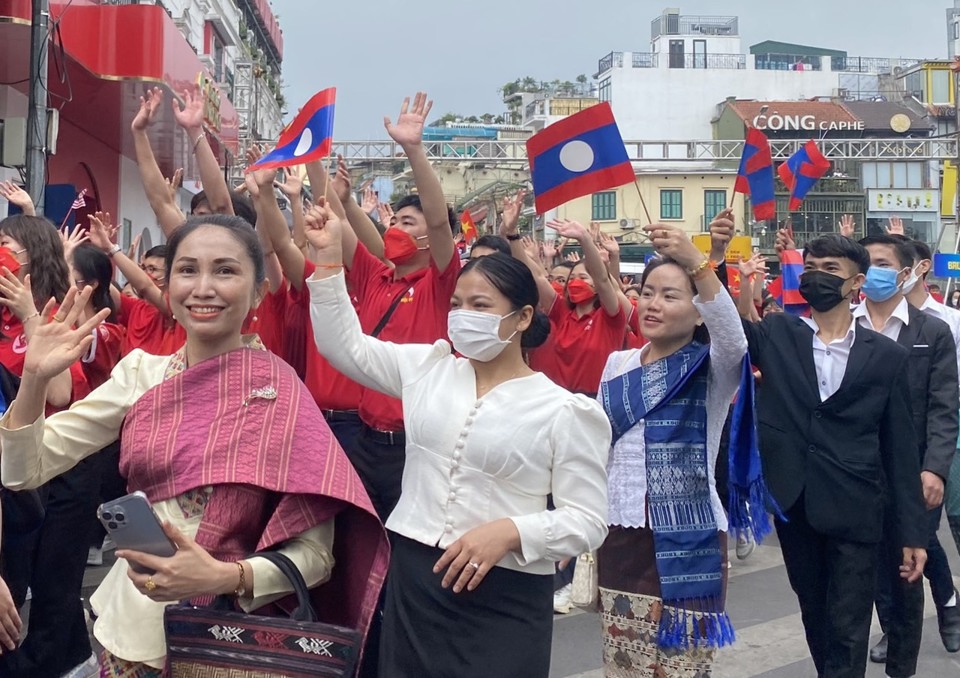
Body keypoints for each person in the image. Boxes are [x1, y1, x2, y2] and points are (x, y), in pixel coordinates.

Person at [0, 215, 389, 675]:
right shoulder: (140, 373)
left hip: (230, 647)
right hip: (130, 633)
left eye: (225, 270)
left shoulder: (281, 395)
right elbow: (23, 470)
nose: (203, 288)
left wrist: (226, 576)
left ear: (259, 291)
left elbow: (317, 555)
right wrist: (34, 380)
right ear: (169, 288)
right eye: (187, 270)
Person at [305, 202, 610, 678]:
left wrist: (512, 532)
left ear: (524, 317)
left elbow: (588, 521)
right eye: (457, 305)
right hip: (416, 575)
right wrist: (327, 264)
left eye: (481, 306)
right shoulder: (429, 368)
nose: (463, 316)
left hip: (504, 592)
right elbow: (344, 347)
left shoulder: (563, 410)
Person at [738, 234, 928, 677]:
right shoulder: (779, 333)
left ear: (856, 281)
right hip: (796, 503)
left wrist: (913, 534)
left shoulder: (886, 356)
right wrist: (708, 263)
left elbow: (899, 450)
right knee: (815, 617)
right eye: (811, 268)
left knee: (848, 624)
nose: (817, 277)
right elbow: (724, 329)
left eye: (830, 270)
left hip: (856, 507)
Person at [596, 221, 758, 675]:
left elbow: (735, 337)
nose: (653, 304)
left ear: (699, 311)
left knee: (680, 668)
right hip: (621, 534)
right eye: (648, 292)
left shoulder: (713, 367)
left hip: (689, 541)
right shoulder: (617, 364)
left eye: (670, 295)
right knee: (623, 665)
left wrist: (699, 260)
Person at [852, 235, 959, 674]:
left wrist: (935, 467)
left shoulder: (932, 328)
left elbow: (943, 404)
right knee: (871, 562)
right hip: (855, 471)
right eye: (867, 263)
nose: (873, 271)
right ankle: (894, 627)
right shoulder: (842, 325)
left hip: (914, 471)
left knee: (908, 559)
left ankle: (908, 649)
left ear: (907, 271)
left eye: (882, 262)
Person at [0, 215, 94, 678]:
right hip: (9, 475)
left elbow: (59, 394)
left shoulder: (53, 310)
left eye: (6, 247)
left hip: (57, 471)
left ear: (32, 257)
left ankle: (60, 662)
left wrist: (29, 316)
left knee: (54, 585)